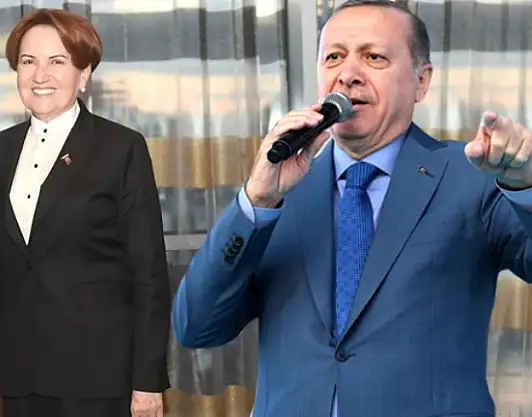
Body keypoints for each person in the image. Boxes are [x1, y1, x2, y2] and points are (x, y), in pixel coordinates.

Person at [171, 1, 532, 416]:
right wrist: (256, 201)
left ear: (421, 80)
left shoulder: (473, 175)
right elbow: (197, 326)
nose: (348, 74)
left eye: (374, 57)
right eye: (334, 57)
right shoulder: (280, 190)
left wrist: (523, 184)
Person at [0, 8, 170, 417]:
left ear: (84, 73)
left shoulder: (120, 148)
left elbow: (149, 274)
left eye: (57, 62)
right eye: (28, 61)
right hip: (22, 374)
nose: (40, 75)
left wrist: (148, 381)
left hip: (99, 377)